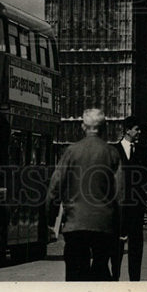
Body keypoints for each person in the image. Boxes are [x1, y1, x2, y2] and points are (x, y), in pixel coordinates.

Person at [46, 107, 122, 281]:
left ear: (82, 127)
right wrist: (119, 227)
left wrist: (50, 220)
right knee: (100, 270)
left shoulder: (71, 152)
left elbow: (54, 187)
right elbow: (120, 194)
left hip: (75, 224)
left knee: (75, 274)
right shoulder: (112, 153)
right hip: (103, 225)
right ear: (104, 127)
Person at [111, 115, 147, 281]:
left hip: (136, 206)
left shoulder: (143, 150)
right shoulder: (113, 150)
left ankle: (135, 280)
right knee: (116, 245)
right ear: (127, 130)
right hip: (119, 206)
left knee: (136, 246)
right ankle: (115, 277)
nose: (139, 132)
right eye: (136, 129)